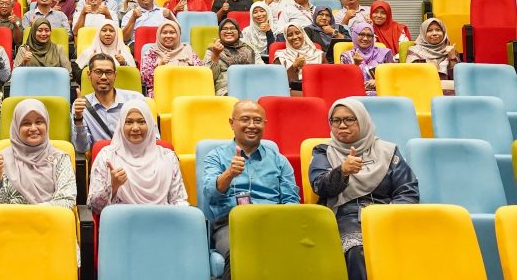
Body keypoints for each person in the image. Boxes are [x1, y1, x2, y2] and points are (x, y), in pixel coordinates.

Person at [309, 98, 419, 280]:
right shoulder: (324, 151)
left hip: (388, 214)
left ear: (362, 120)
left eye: (349, 119)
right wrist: (342, 171)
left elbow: (408, 190)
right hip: (346, 215)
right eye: (336, 120)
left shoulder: (388, 151)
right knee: (358, 250)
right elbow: (319, 186)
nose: (342, 125)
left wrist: (388, 214)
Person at [201, 100, 300, 280]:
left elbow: (291, 201)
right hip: (230, 223)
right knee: (240, 253)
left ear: (265, 124)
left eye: (257, 120)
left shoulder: (279, 160)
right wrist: (229, 174)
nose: (252, 125)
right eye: (245, 119)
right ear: (232, 123)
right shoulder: (216, 156)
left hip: (273, 222)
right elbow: (210, 195)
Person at [87, 101, 188, 213]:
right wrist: (113, 186)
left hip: (162, 220)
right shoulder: (107, 156)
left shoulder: (168, 158)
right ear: (121, 125)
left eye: (141, 122)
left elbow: (179, 201)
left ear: (150, 124)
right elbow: (94, 207)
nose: (135, 128)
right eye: (129, 122)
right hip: (122, 221)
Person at [0, 99, 77, 207]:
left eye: (39, 122)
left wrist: (32, 212)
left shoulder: (60, 159)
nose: (33, 128)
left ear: (46, 124)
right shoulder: (2, 158)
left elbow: (67, 201)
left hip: (49, 217)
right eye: (26, 123)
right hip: (11, 218)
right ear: (16, 127)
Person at [72, 54, 147, 153]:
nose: (103, 77)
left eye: (108, 72)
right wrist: (78, 119)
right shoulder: (81, 106)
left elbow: (154, 138)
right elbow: (82, 149)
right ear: (89, 74)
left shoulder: (136, 99)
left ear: (115, 75)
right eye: (98, 72)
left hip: (135, 155)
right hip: (103, 160)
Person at [139, 20, 203, 98]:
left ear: (178, 34)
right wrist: (160, 65)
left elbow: (200, 72)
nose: (168, 36)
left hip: (187, 90)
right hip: (161, 92)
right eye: (164, 33)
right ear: (159, 34)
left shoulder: (188, 50)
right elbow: (146, 81)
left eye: (172, 32)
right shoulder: (151, 53)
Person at [205, 19, 262, 96]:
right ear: (219, 33)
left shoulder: (249, 48)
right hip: (226, 90)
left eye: (232, 28)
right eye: (224, 29)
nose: (229, 31)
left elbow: (261, 69)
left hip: (250, 86)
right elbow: (209, 77)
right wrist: (216, 55)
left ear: (238, 32)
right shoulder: (212, 50)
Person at [405, 17, 459, 90]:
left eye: (438, 30)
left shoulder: (451, 51)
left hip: (447, 91)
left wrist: (452, 58)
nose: (434, 33)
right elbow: (412, 77)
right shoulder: (415, 51)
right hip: (422, 90)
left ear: (444, 32)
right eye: (429, 30)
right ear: (423, 33)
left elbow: (457, 78)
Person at [340, 21, 394, 93]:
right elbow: (345, 82)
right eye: (361, 34)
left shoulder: (384, 53)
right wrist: (356, 65)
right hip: (357, 94)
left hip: (382, 92)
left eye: (369, 35)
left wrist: (378, 81)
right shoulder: (346, 56)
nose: (365, 38)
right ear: (355, 35)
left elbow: (392, 76)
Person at [274, 23, 324, 90]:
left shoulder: (319, 54)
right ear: (286, 38)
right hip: (292, 91)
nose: (294, 37)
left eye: (297, 33)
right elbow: (278, 81)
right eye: (290, 35)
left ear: (303, 34)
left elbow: (327, 78)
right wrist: (294, 66)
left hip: (317, 89)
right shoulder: (281, 56)